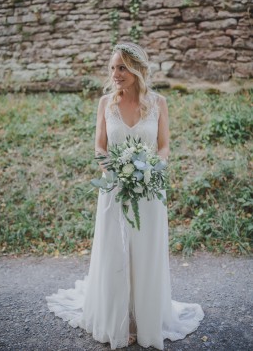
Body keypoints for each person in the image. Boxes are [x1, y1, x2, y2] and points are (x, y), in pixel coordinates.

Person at [46, 42, 204, 350]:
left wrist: (154, 169)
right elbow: (99, 147)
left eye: (122, 67)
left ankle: (143, 319)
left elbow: (164, 145)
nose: (115, 74)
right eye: (112, 68)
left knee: (145, 253)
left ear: (137, 69)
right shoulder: (106, 103)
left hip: (149, 190)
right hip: (115, 190)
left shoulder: (159, 103)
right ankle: (118, 318)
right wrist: (113, 170)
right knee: (116, 252)